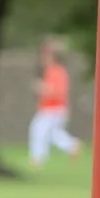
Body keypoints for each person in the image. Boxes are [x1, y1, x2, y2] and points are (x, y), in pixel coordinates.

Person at [29, 38, 81, 168]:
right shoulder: (53, 71)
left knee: (38, 130)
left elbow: (58, 91)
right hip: (52, 108)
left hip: (52, 108)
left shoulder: (56, 71)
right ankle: (72, 145)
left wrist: (42, 87)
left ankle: (38, 158)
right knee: (53, 134)